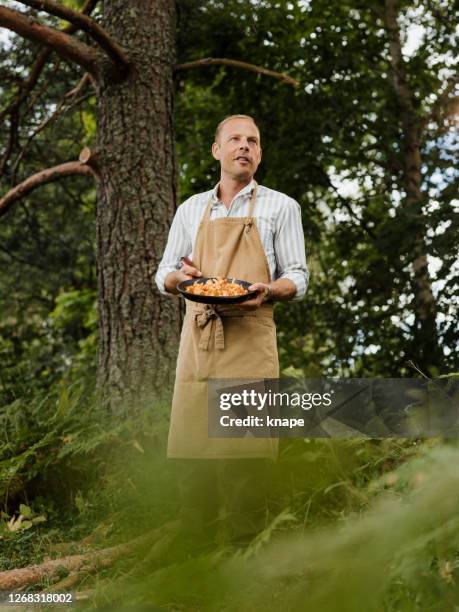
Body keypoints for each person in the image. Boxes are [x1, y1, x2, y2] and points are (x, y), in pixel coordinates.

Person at [155, 114, 309, 461]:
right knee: (192, 462)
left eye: (252, 141)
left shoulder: (282, 206)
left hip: (250, 340)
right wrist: (179, 280)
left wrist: (268, 291)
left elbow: (298, 277)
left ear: (259, 154)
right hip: (199, 339)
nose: (244, 146)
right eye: (236, 139)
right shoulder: (191, 209)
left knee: (246, 462)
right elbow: (164, 272)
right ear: (216, 150)